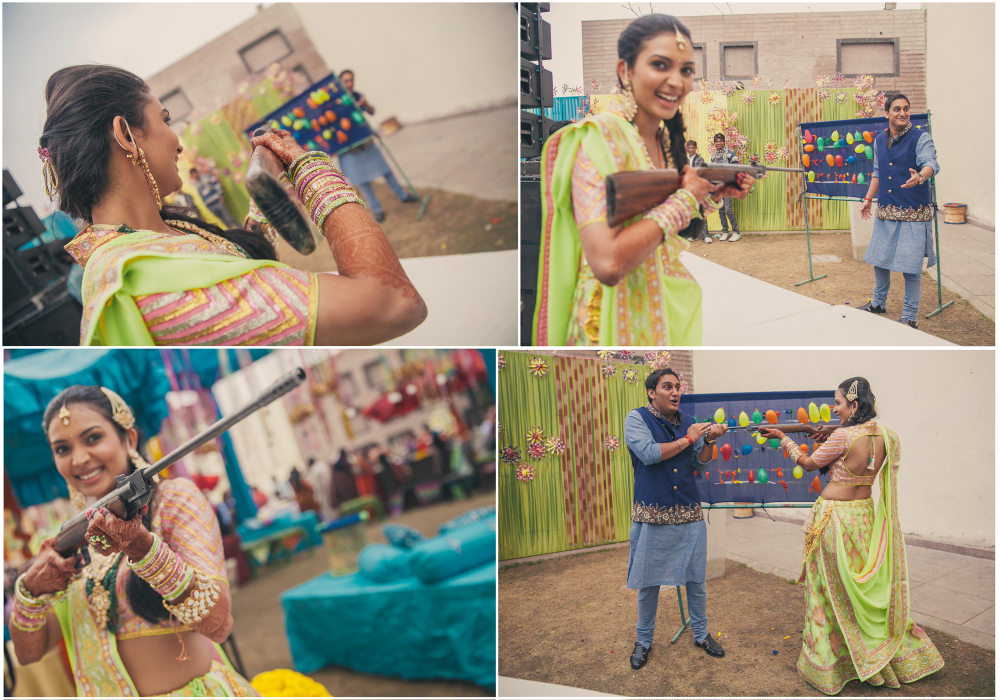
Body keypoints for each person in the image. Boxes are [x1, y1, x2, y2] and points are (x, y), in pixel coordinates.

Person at [39, 65, 425, 346]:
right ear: (126, 134)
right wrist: (311, 168)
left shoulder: (143, 240)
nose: (178, 141)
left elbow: (233, 264)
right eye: (166, 119)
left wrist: (269, 186)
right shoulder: (146, 284)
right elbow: (392, 305)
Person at [9, 385, 257, 696]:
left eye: (93, 438)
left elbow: (219, 624)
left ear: (129, 438)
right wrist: (30, 593)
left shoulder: (172, 500)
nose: (80, 459)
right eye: (62, 449)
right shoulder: (61, 541)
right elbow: (28, 654)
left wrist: (144, 549)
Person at [531, 15, 754, 346]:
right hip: (604, 321)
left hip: (658, 307)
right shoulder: (596, 141)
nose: (676, 81)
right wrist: (686, 199)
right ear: (625, 71)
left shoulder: (665, 142)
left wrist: (714, 194)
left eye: (686, 70)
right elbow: (607, 263)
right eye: (660, 65)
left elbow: (664, 226)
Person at [760, 378, 944, 695]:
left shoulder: (843, 436)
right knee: (860, 586)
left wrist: (782, 440)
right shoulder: (887, 436)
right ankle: (878, 652)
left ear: (853, 405)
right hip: (864, 518)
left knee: (829, 590)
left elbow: (807, 463)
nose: (834, 407)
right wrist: (805, 431)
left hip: (834, 519)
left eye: (839, 402)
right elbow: (838, 436)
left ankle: (834, 661)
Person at [623, 367, 729, 669]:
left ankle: (701, 633)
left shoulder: (690, 423)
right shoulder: (636, 419)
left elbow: (700, 464)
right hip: (652, 512)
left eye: (677, 387)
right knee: (648, 581)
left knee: (696, 579)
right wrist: (689, 439)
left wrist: (708, 441)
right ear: (651, 392)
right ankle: (643, 641)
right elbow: (649, 453)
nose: (675, 392)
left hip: (688, 511)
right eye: (667, 387)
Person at [858, 94, 939, 329]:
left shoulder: (921, 137)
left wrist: (920, 176)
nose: (902, 113)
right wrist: (868, 199)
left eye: (906, 109)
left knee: (910, 267)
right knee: (880, 261)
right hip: (887, 210)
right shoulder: (879, 140)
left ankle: (909, 317)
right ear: (887, 114)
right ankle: (877, 303)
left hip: (914, 212)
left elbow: (931, 163)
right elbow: (877, 173)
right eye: (896, 109)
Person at [336, 69, 418, 223]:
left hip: (366, 143)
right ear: (340, 83)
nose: (349, 83)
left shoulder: (357, 96)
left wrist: (363, 104)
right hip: (349, 150)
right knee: (362, 181)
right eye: (345, 81)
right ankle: (377, 210)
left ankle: (403, 195)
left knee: (386, 171)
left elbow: (372, 111)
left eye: (351, 80)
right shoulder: (335, 102)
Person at [709, 133, 741, 242]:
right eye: (716, 141)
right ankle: (725, 232)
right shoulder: (713, 157)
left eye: (720, 141)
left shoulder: (731, 154)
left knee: (728, 209)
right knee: (721, 209)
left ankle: (736, 232)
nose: (718, 143)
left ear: (724, 142)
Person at [685, 140, 711, 244]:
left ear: (696, 148)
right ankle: (694, 234)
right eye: (689, 148)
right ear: (686, 148)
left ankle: (706, 235)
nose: (691, 150)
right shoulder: (684, 159)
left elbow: (698, 172)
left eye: (693, 148)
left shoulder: (700, 159)